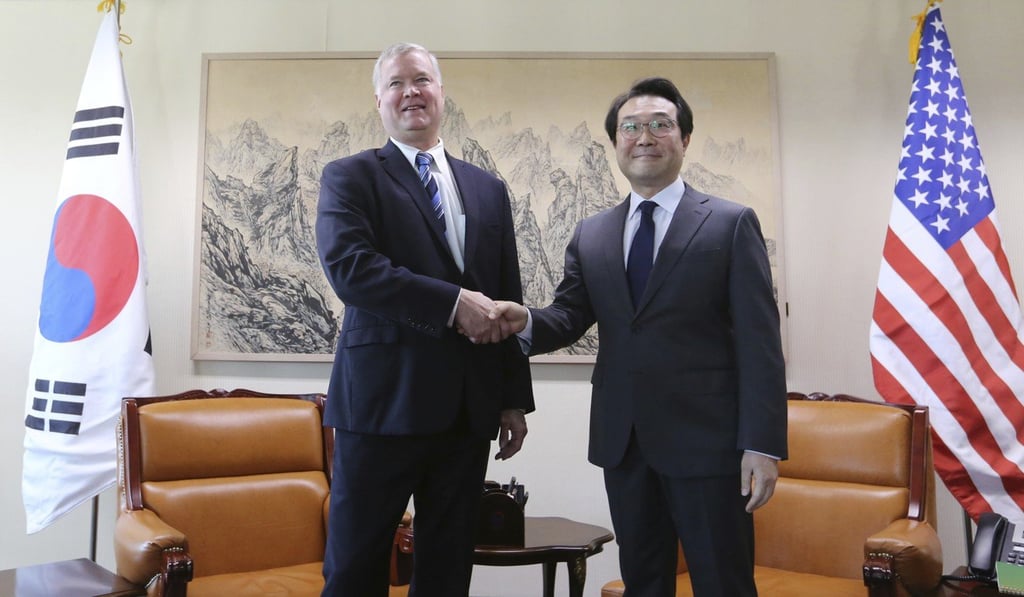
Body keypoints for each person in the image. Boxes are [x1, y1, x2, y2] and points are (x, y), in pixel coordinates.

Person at [486, 77, 787, 597]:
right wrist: (526, 322)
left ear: (684, 139)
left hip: (709, 446)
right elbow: (570, 316)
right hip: (625, 444)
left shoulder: (730, 224)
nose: (644, 136)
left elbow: (760, 344)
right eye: (630, 127)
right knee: (644, 583)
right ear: (616, 143)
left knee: (724, 583)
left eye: (659, 124)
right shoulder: (593, 233)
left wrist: (761, 444)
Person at [314, 42, 535, 597]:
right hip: (380, 407)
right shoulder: (350, 177)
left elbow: (507, 292)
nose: (410, 91)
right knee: (355, 567)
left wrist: (511, 398)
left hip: (467, 411)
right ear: (379, 101)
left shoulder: (489, 188)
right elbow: (353, 270)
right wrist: (452, 302)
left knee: (446, 571)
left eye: (421, 80)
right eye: (396, 83)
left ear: (441, 92)